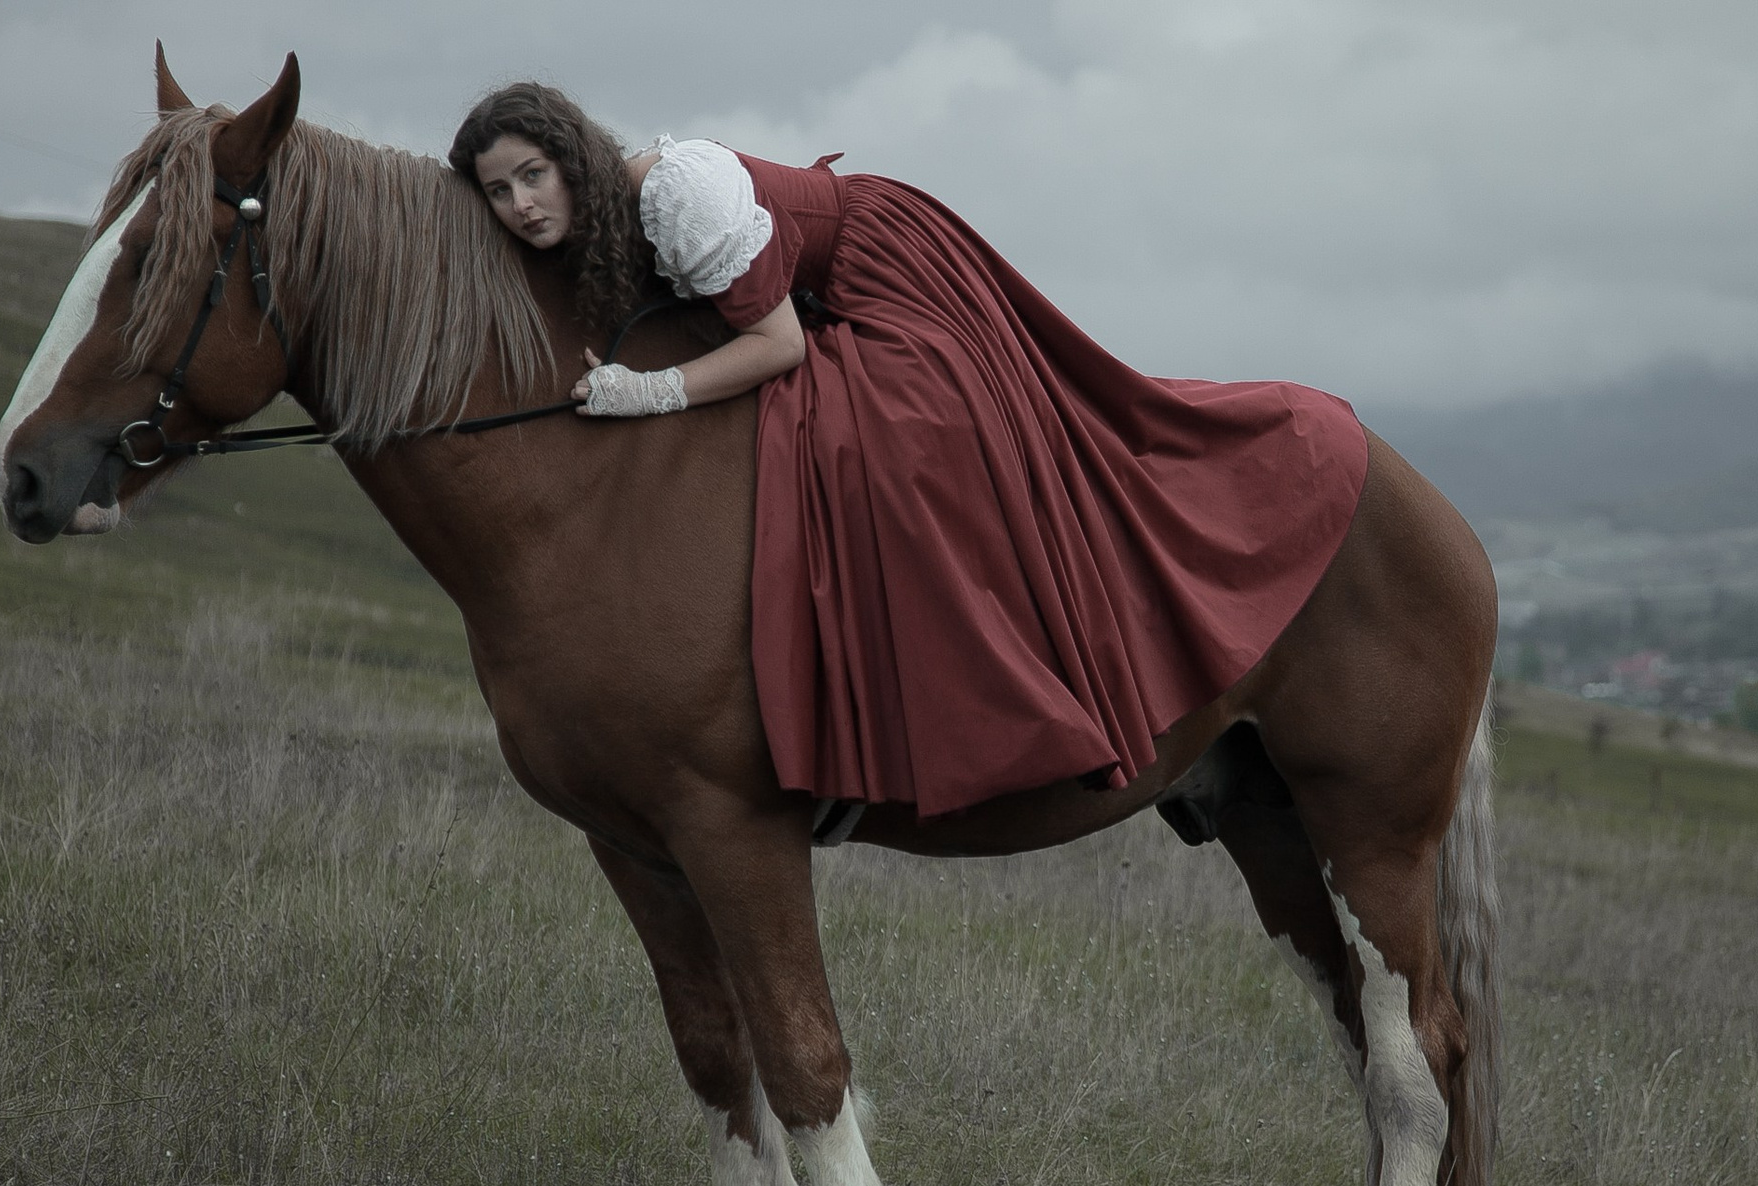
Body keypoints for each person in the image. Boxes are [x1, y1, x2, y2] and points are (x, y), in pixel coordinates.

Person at [448, 83, 1369, 820]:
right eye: (498, 190)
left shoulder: (675, 195)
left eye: (534, 175)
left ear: (573, 159)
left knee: (899, 445)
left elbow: (778, 347)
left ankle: (1007, 687)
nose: (522, 204)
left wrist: (645, 394)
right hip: (821, 296)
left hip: (879, 275)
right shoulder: (599, 219)